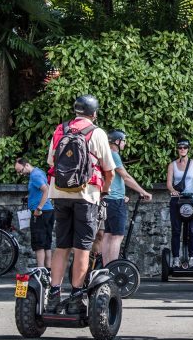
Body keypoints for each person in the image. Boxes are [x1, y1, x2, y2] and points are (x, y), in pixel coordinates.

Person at [45, 95, 116, 311]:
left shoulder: (60, 130)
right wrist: (105, 190)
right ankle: (76, 296)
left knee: (62, 246)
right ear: (94, 114)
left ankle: (54, 293)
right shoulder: (97, 133)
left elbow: (51, 161)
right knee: (82, 247)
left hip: (59, 193)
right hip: (86, 195)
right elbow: (109, 170)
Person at [101, 130, 152, 265]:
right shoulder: (114, 155)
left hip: (106, 199)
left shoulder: (105, 154)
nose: (125, 143)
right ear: (117, 141)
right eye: (124, 141)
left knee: (108, 234)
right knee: (117, 236)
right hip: (115, 201)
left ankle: (105, 267)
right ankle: (113, 267)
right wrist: (143, 191)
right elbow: (126, 177)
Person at [166, 138, 193, 267]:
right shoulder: (172, 165)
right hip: (177, 200)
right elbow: (169, 183)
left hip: (191, 199)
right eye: (180, 147)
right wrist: (172, 190)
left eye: (185, 147)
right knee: (176, 230)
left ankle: (192, 257)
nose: (182, 149)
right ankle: (176, 258)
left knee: (192, 230)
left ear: (188, 149)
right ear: (177, 149)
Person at [15, 157, 53, 268]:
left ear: (26, 165)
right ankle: (48, 269)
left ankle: (40, 269)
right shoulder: (39, 172)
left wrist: (38, 208)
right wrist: (30, 197)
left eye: (21, 171)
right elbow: (43, 189)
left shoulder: (35, 175)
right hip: (49, 210)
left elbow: (46, 189)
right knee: (47, 243)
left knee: (38, 243)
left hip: (41, 213)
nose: (21, 174)